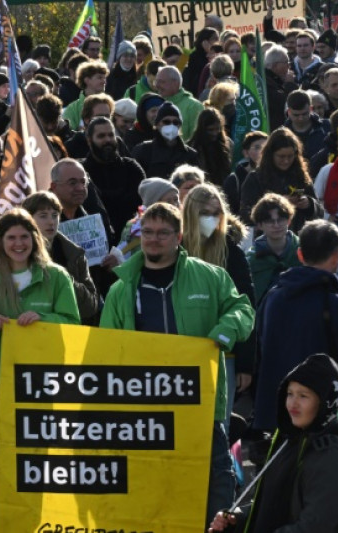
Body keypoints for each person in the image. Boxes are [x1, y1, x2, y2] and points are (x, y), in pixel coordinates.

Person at [100, 202, 254, 529]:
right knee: (154, 493)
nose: (154, 240)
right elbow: (106, 352)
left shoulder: (210, 277)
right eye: (148, 233)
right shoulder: (120, 289)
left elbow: (243, 311)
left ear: (179, 236)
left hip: (200, 407)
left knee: (216, 485)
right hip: (143, 412)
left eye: (163, 233)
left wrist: (224, 332)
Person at [0, 208, 81, 533]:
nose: (18, 244)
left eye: (24, 237)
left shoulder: (56, 277)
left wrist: (45, 322)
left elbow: (74, 326)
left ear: (35, 239)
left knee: (42, 477)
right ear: (0, 242)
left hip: (44, 395)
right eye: (11, 238)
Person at [209, 354, 338, 532]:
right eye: (290, 394)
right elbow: (271, 503)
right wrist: (237, 518)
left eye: (303, 396)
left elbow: (320, 522)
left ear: (325, 403)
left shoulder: (327, 454)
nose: (293, 403)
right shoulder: (288, 441)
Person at [253, 220, 338, 434]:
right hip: (319, 415)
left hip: (274, 412)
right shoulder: (336, 305)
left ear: (300, 254)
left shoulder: (274, 296)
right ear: (336, 258)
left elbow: (260, 344)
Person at [181, 184, 255, 414]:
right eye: (205, 214)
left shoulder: (231, 253)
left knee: (218, 423)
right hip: (180, 350)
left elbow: (246, 307)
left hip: (224, 353)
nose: (211, 219)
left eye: (216, 213)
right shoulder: (175, 251)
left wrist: (245, 364)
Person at [24, 191, 101, 325]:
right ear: (28, 219)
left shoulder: (74, 255)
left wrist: (64, 278)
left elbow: (90, 306)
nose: (51, 222)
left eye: (55, 216)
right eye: (43, 216)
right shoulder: (16, 253)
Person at [239, 127, 324, 231]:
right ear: (270, 154)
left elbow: (320, 211)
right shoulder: (256, 178)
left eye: (290, 156)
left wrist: (309, 204)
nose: (286, 161)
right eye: (281, 156)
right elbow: (245, 214)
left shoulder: (301, 176)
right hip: (267, 239)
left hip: (298, 237)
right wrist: (276, 205)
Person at [247, 193, 301, 304]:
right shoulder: (251, 259)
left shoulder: (304, 253)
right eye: (269, 221)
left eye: (281, 219)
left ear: (289, 221)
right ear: (260, 225)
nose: (276, 225)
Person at [131, 102, 199, 180]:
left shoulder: (190, 155)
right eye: (166, 122)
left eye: (175, 122)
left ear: (179, 125)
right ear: (157, 124)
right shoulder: (142, 151)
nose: (171, 125)